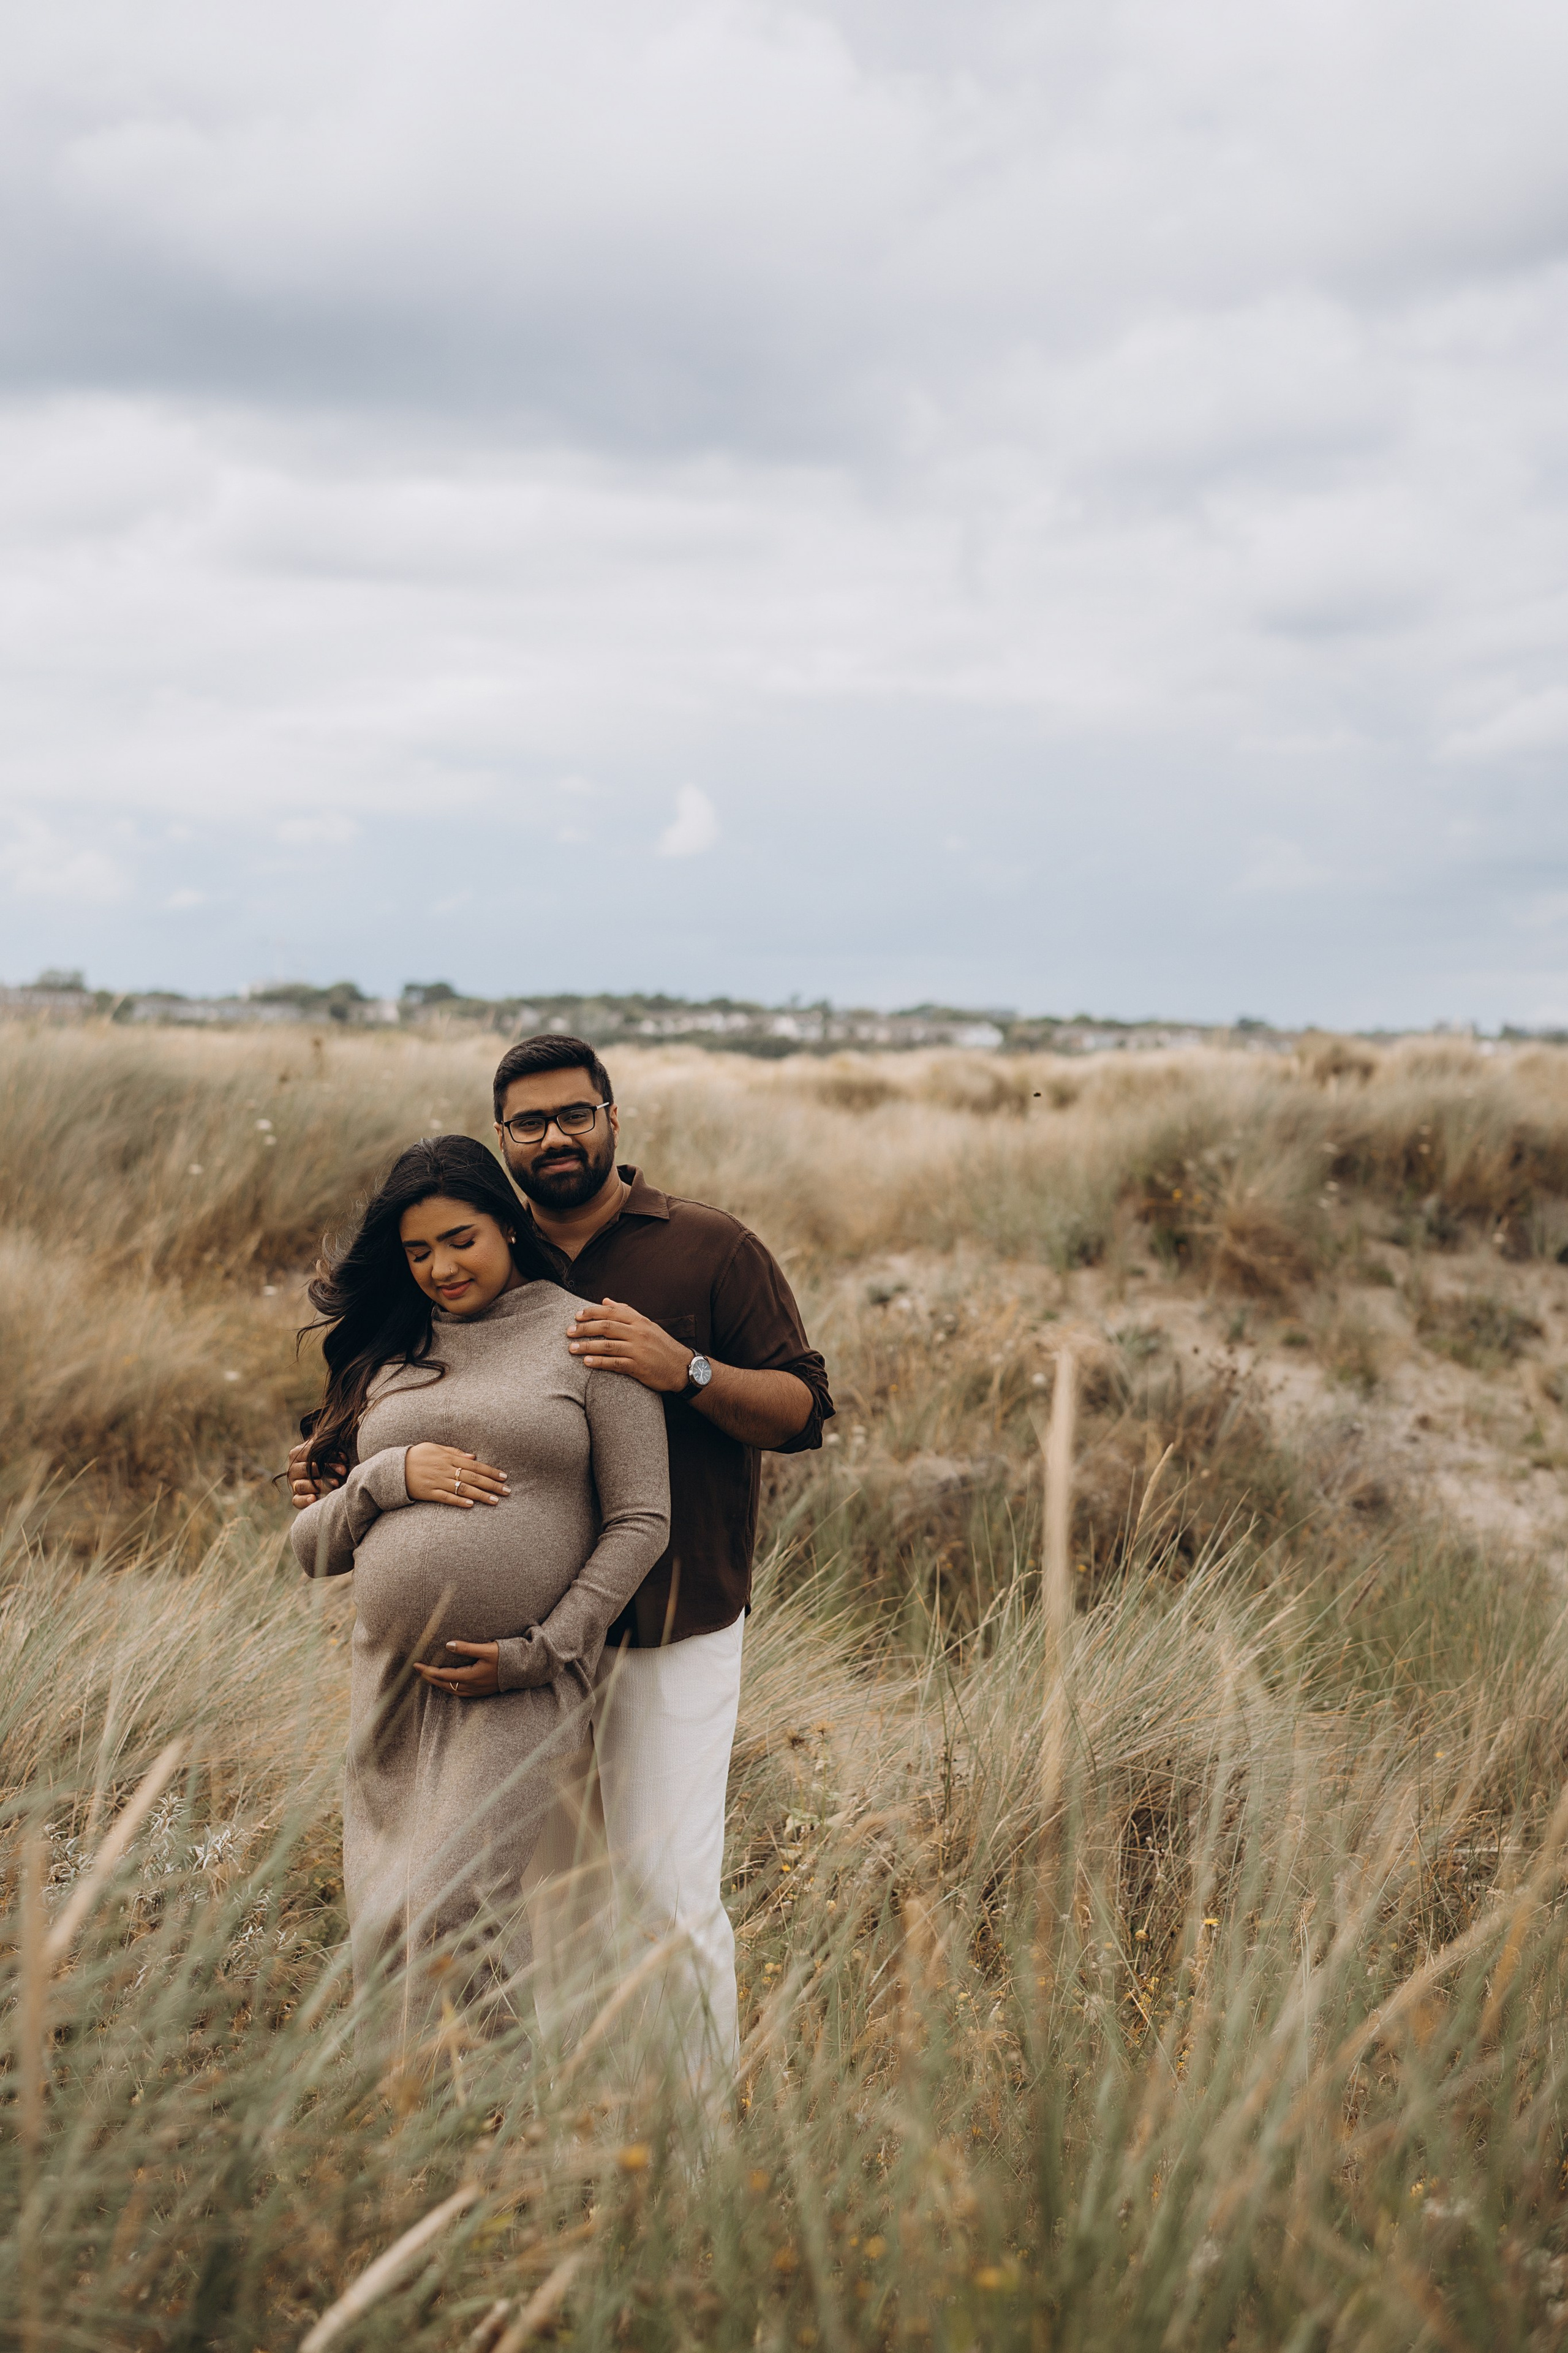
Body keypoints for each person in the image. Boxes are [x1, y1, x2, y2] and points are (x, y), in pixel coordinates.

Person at [291, 1036, 833, 2085]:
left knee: (664, 1892)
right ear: (503, 1144)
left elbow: (805, 1409)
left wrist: (687, 1368)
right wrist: (354, 1476)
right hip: (480, 1679)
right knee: (528, 1906)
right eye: (529, 1123)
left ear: (613, 1117)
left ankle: (694, 2163)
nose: (555, 1136)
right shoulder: (471, 1260)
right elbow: (370, 1433)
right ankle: (553, 2144)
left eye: (574, 1114)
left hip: (662, 1627)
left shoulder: (706, 1249)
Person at [289, 1133, 669, 2022]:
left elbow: (642, 1519)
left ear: (505, 1221)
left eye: (459, 1238)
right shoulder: (386, 1359)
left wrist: (544, 1651)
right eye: (417, 1251)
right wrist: (389, 1475)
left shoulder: (587, 1334)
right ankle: (416, 2135)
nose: (439, 1267)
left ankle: (500, 2139)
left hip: (516, 1679)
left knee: (456, 1908)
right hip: (389, 1680)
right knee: (386, 1923)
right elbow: (312, 1547)